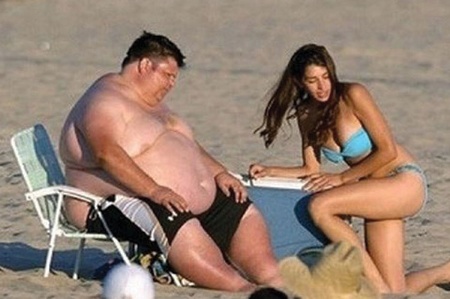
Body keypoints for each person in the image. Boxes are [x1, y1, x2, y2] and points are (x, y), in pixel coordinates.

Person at [59, 31, 283, 291]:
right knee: (179, 223)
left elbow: (187, 145)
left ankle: (275, 282)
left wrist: (219, 172)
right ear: (144, 65)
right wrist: (155, 190)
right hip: (119, 200)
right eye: (167, 75)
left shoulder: (151, 103)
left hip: (177, 198)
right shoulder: (104, 100)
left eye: (174, 78)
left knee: (242, 211)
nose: (171, 84)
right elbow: (107, 154)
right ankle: (242, 289)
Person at [249, 44, 450, 294]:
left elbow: (387, 150)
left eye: (325, 77)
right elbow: (310, 167)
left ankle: (376, 286)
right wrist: (270, 170)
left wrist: (342, 178)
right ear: (300, 83)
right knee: (392, 290)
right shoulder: (306, 114)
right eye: (312, 80)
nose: (322, 86)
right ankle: (444, 272)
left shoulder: (353, 94)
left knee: (320, 206)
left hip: (402, 180)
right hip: (372, 194)